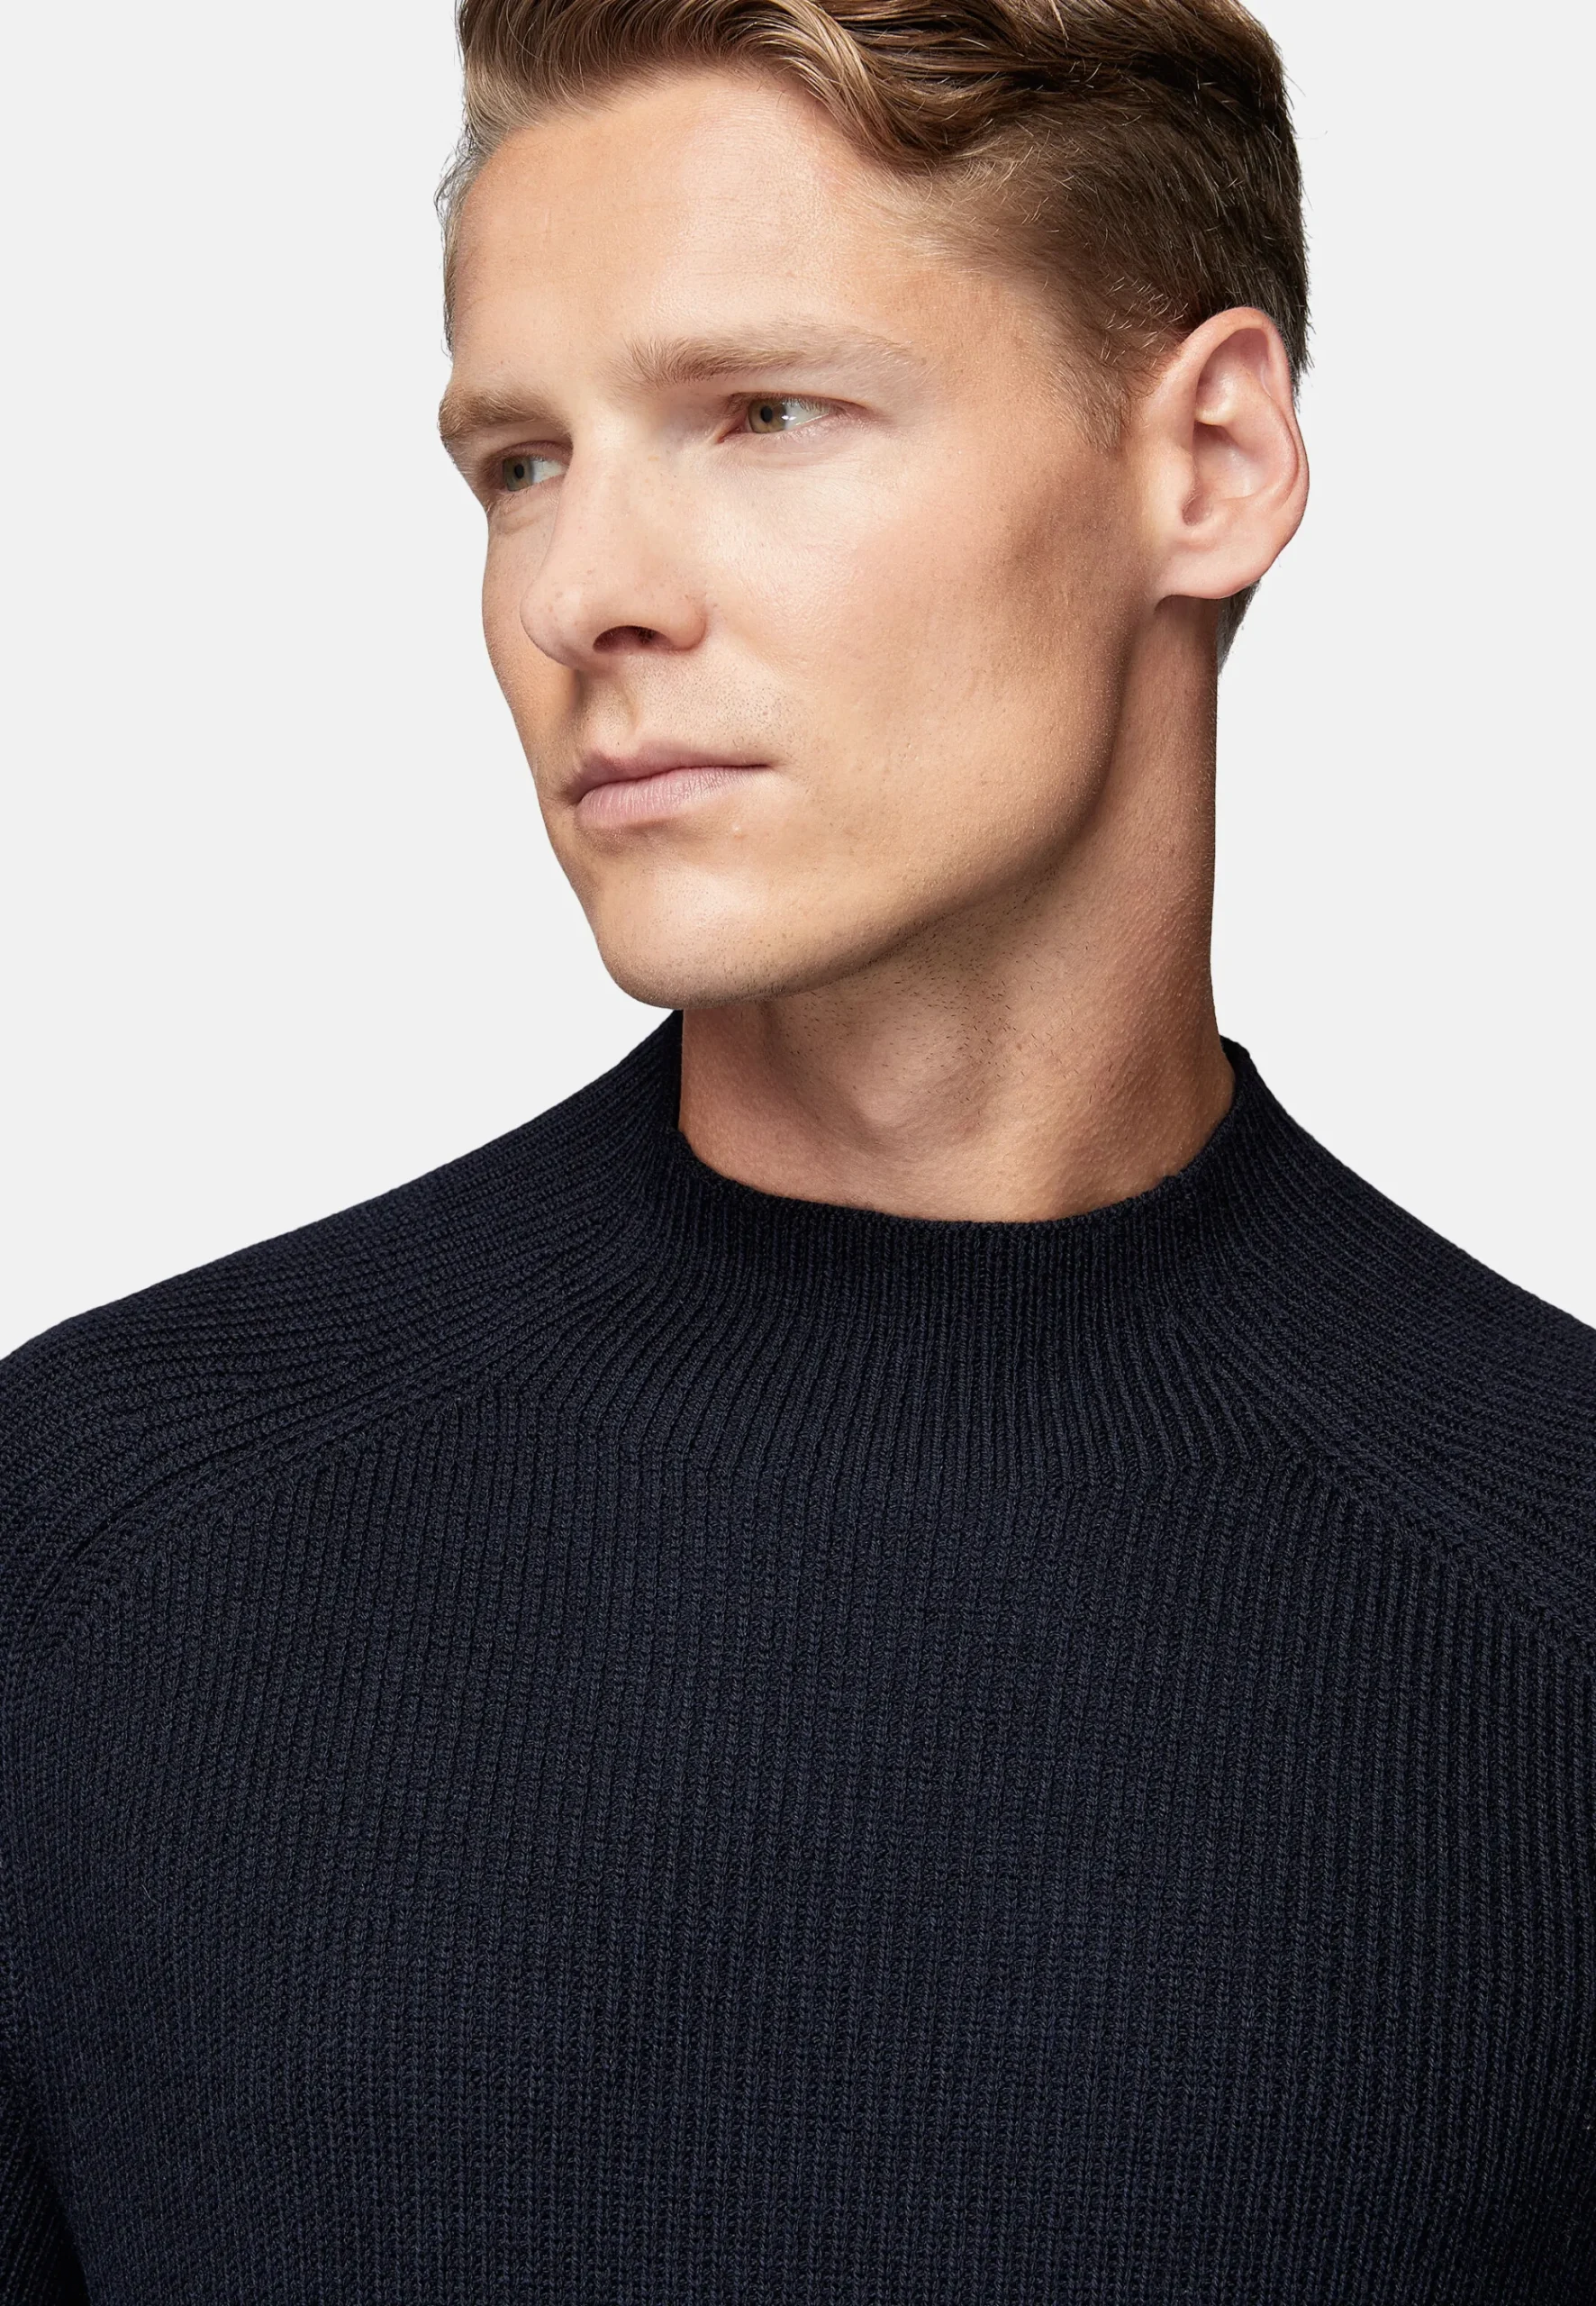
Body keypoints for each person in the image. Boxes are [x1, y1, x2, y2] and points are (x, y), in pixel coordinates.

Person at [3, 0, 1592, 2295]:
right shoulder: (104, 1544)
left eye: (764, 414)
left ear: (1212, 459)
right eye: (519, 461)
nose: (581, 593)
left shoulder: (1542, 1589)